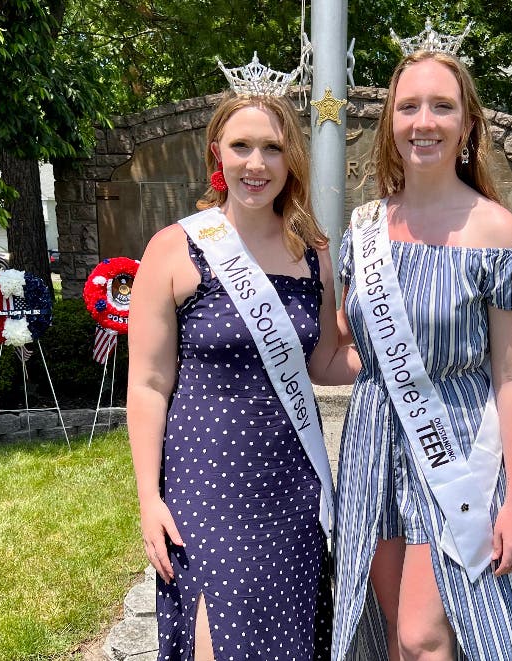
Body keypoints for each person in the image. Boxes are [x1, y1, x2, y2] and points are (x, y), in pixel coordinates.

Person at [127, 80, 360, 660]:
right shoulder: (175, 248)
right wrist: (148, 499)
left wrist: (415, 353)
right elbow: (149, 385)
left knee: (286, 634)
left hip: (291, 480)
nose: (256, 164)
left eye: (273, 149)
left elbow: (325, 361)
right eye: (241, 147)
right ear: (217, 154)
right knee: (214, 636)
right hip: (205, 480)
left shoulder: (314, 252)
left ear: (292, 161)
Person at [332, 48, 512, 661]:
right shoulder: (365, 228)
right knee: (390, 622)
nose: (423, 121)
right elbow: (353, 353)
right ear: (391, 123)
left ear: (467, 123)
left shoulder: (497, 232)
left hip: (454, 450)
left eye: (442, 106)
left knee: (424, 634)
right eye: (409, 106)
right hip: (373, 446)